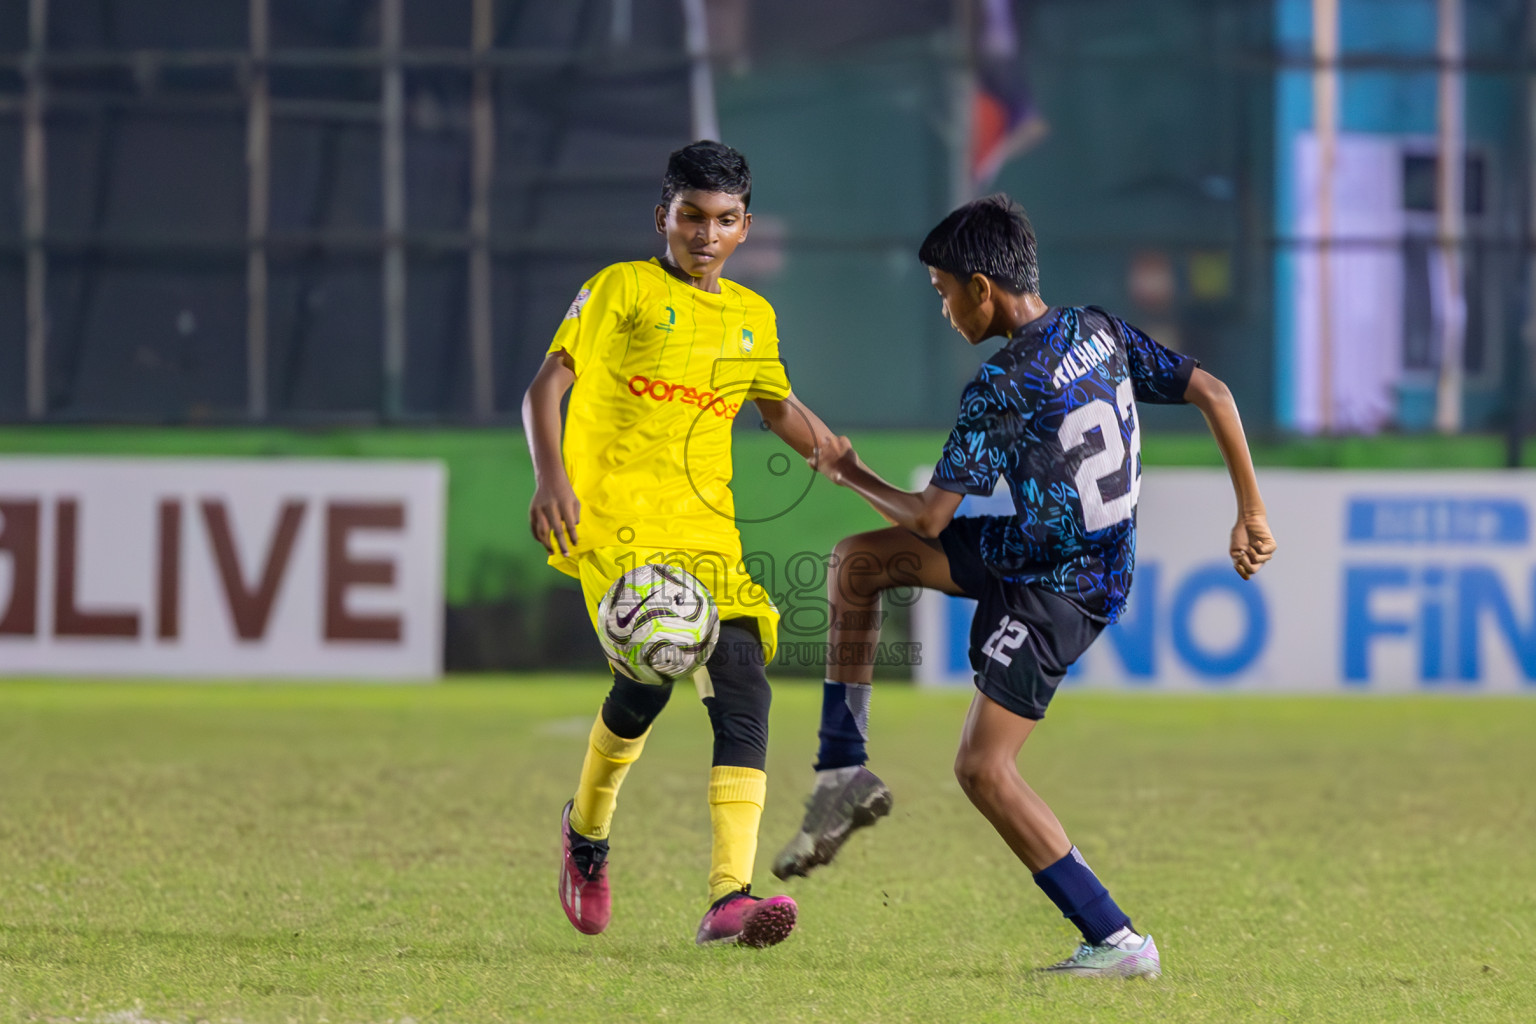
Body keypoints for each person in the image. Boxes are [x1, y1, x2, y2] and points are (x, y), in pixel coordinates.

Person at [771, 194, 1277, 977]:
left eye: (942, 292)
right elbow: (1214, 391)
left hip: (1059, 586)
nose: (942, 310)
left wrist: (848, 470)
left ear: (981, 287)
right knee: (859, 563)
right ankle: (843, 772)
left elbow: (931, 518)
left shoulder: (1000, 385)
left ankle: (1117, 941)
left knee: (982, 769)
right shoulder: (1098, 330)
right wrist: (1250, 510)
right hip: (1046, 547)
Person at [523, 140, 842, 948]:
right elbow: (547, 385)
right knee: (650, 685)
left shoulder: (751, 316)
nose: (706, 233)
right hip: (617, 526)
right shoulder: (621, 288)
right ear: (662, 217)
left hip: (707, 537)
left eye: (724, 220)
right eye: (690, 216)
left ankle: (729, 896)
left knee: (746, 688)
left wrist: (870, 480)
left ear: (745, 227)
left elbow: (779, 410)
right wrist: (551, 478)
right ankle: (586, 838)